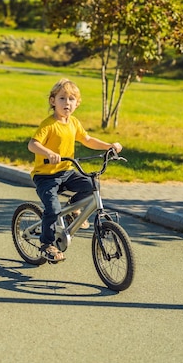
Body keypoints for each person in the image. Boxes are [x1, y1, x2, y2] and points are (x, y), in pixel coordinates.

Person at [28, 78, 122, 263]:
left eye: (71, 99)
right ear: (53, 101)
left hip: (66, 172)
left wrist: (108, 146)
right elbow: (33, 144)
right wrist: (48, 152)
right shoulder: (49, 124)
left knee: (91, 185)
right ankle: (47, 244)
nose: (67, 103)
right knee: (53, 210)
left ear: (77, 104)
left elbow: (87, 140)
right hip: (46, 176)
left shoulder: (74, 123)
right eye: (62, 98)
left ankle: (73, 208)